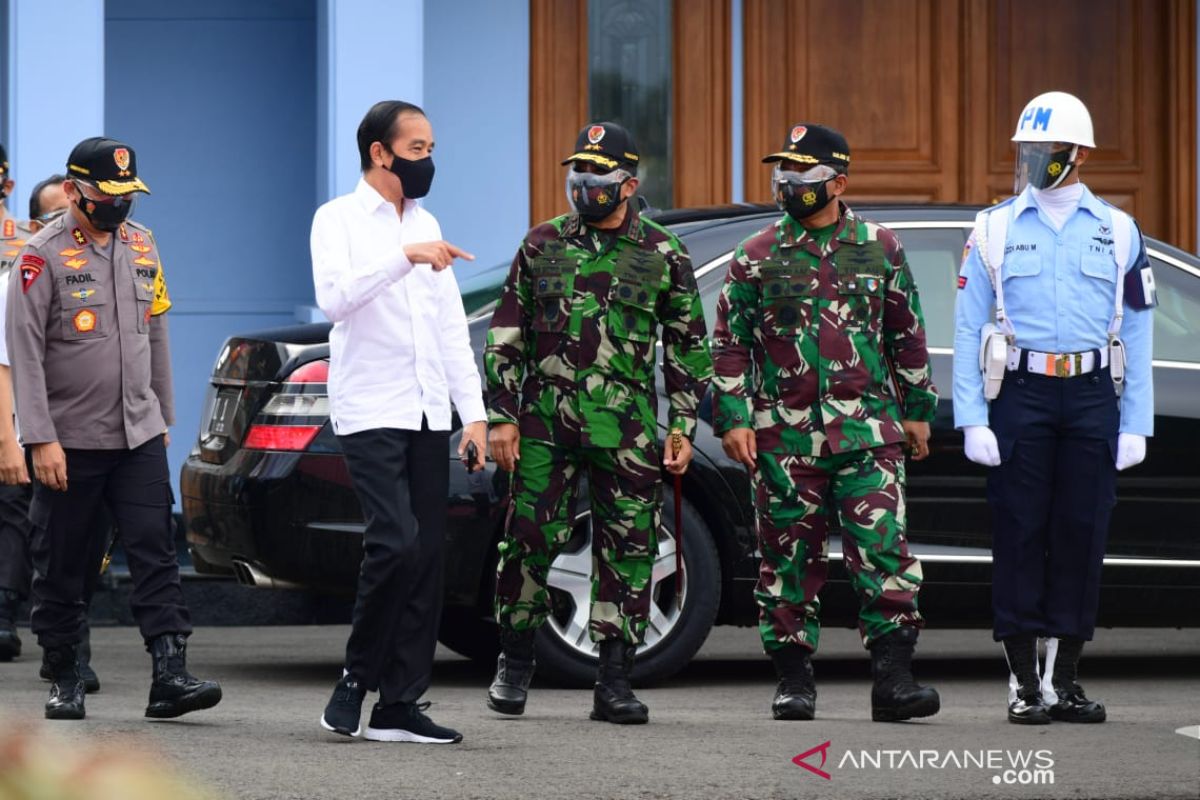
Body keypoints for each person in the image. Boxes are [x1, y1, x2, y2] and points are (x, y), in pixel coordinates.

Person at [711, 123, 941, 723]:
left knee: (883, 552)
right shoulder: (756, 255)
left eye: (800, 175)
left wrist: (918, 412)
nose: (785, 184)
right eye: (780, 174)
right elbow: (730, 344)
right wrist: (734, 417)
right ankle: (793, 683)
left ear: (837, 182)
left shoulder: (880, 246)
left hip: (868, 431)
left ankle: (893, 681)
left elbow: (906, 335)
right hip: (784, 438)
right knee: (787, 558)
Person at [484, 121, 712, 725]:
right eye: (576, 172)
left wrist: (683, 423)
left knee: (630, 547)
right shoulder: (542, 243)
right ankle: (514, 661)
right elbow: (507, 334)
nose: (583, 184)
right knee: (529, 539)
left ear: (629, 183)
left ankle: (614, 680)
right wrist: (501, 418)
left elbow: (688, 346)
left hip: (628, 428)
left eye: (597, 175)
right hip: (543, 425)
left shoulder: (662, 252)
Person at [953, 91, 1156, 725]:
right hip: (1023, 389)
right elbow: (967, 327)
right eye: (1028, 151)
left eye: (1050, 151)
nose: (1037, 161)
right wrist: (972, 417)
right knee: (1019, 532)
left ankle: (1064, 677)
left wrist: (1137, 422)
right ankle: (1022, 683)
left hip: (1094, 393)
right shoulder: (993, 227)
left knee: (1081, 534)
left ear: (1081, 154)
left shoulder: (1119, 231)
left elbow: (1141, 330)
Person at [6, 137, 221, 721]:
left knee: (155, 549)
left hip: (139, 432)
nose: (121, 204)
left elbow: (155, 332)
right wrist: (38, 437)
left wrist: (162, 415)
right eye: (108, 192)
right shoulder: (41, 255)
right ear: (75, 190)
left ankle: (170, 674)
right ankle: (65, 672)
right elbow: (22, 354)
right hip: (68, 441)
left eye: (129, 192)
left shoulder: (143, 244)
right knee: (64, 560)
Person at [311, 100, 485, 745]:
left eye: (431, 147)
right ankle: (355, 680)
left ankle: (398, 704)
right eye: (417, 149)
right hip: (370, 408)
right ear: (379, 152)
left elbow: (448, 331)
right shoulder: (338, 219)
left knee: (429, 555)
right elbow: (334, 299)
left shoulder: (429, 220)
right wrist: (402, 257)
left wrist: (474, 415)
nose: (428, 160)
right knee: (394, 542)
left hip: (426, 411)